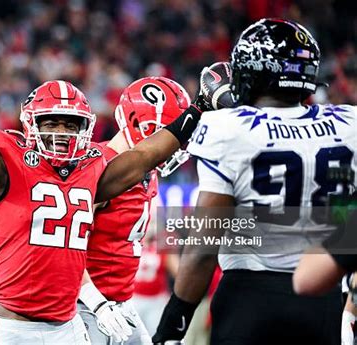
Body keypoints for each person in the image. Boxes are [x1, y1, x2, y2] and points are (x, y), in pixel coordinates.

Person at [0, 5, 208, 343]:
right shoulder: (8, 163)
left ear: (86, 128)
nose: (61, 132)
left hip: (67, 326)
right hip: (12, 326)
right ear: (31, 124)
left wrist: (198, 108)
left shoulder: (92, 169)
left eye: (71, 124)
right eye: (51, 122)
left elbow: (144, 155)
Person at [153, 18, 357, 345]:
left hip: (251, 298)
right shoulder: (349, 124)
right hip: (325, 299)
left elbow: (203, 248)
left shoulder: (226, 127)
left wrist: (171, 328)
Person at [77, 76, 190, 344]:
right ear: (141, 126)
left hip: (122, 303)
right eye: (169, 134)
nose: (173, 145)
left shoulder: (148, 173)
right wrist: (94, 300)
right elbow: (66, 244)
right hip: (84, 305)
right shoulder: (99, 166)